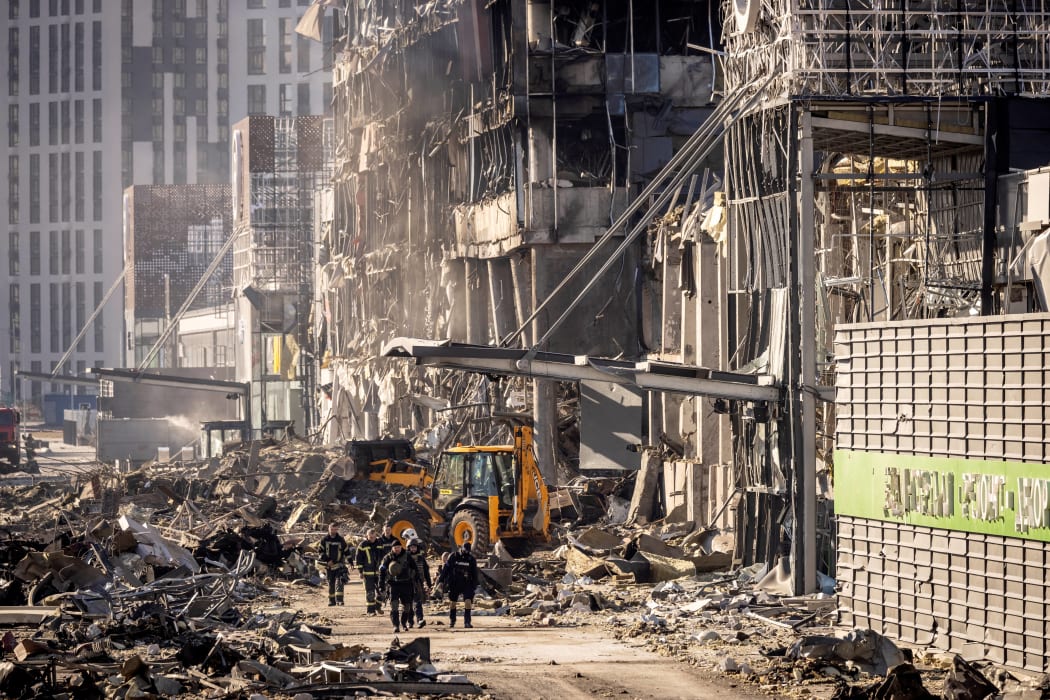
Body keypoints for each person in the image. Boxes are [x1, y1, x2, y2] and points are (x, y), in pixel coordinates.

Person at [378, 539, 418, 633]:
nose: (397, 549)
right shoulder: (388, 557)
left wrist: (416, 581)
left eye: (399, 547)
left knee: (407, 607)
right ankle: (396, 625)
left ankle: (403, 623)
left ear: (401, 547)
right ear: (392, 548)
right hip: (393, 584)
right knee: (394, 606)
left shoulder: (407, 556)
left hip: (406, 584)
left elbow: (414, 568)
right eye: (395, 548)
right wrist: (381, 585)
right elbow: (382, 571)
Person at [440, 537, 479, 628]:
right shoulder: (453, 556)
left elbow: (475, 574)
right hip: (454, 583)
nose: (466, 552)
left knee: (468, 601)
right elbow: (446, 569)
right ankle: (452, 620)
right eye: (465, 550)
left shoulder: (471, 559)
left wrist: (474, 585)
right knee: (453, 603)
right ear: (461, 548)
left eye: (468, 551)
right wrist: (441, 580)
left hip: (467, 583)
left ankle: (467, 622)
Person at [318, 523, 349, 607]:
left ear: (337, 529)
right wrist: (327, 560)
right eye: (332, 529)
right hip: (329, 566)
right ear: (329, 529)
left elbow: (346, 551)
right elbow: (320, 552)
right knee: (331, 583)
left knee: (339, 582)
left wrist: (351, 562)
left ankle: (339, 600)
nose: (333, 531)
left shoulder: (341, 540)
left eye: (335, 529)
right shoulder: (324, 540)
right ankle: (332, 601)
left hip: (339, 564)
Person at [354, 528, 383, 615]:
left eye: (374, 537)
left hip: (379, 572)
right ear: (367, 536)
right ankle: (371, 611)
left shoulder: (380, 544)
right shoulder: (362, 545)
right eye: (370, 537)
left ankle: (377, 606)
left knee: (383, 591)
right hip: (367, 572)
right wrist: (360, 571)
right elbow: (359, 559)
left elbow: (383, 556)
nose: (372, 539)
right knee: (370, 592)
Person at [406, 538, 432, 628]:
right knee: (408, 604)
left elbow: (426, 572)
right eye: (411, 547)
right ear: (408, 548)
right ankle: (410, 621)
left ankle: (420, 619)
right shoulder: (405, 558)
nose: (413, 549)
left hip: (418, 583)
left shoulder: (421, 558)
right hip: (407, 583)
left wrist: (429, 584)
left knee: (418, 602)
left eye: (414, 547)